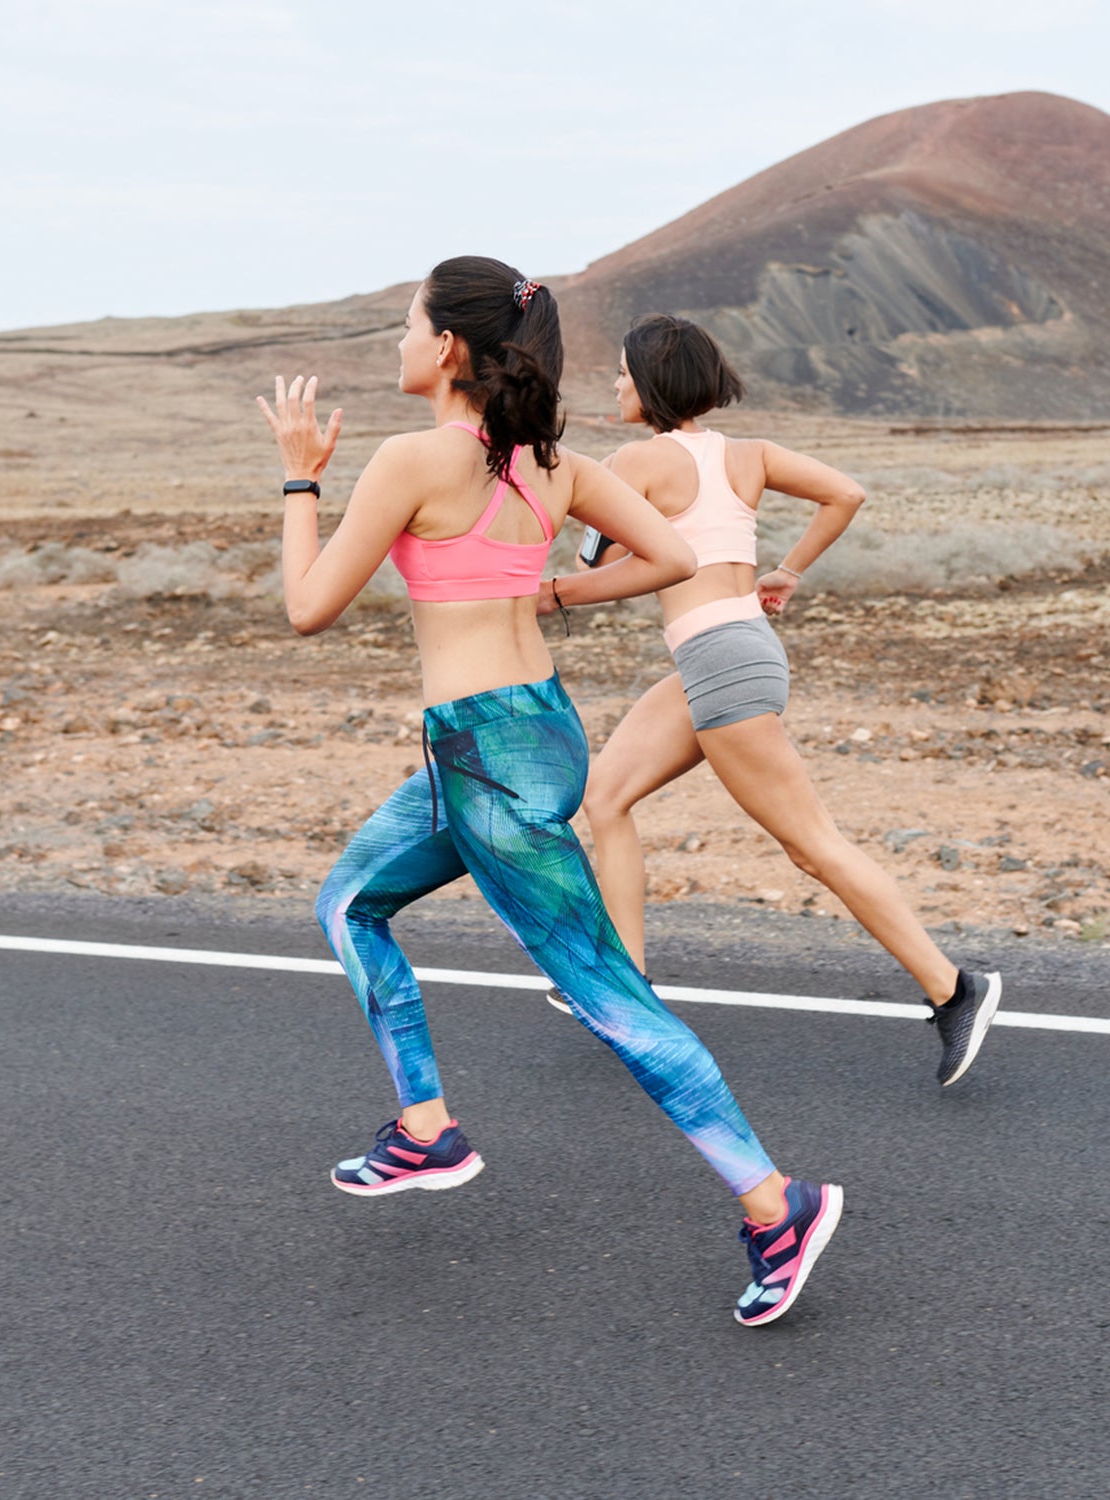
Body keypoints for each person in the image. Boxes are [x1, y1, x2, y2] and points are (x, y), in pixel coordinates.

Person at [256, 258, 841, 1327]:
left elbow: (308, 607)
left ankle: (776, 1204)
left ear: (446, 349)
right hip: (521, 737)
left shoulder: (411, 459)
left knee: (609, 995)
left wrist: (299, 478)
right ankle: (425, 1127)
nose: (397, 341)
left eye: (406, 324)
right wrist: (557, 587)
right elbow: (668, 554)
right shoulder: (549, 463)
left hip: (486, 757)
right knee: (350, 901)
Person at [539, 314, 1001, 1085]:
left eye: (621, 372)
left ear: (650, 380)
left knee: (810, 843)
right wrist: (787, 569)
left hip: (721, 662)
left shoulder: (635, 461)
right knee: (607, 795)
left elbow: (602, 562)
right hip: (730, 651)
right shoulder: (746, 454)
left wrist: (548, 592)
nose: (613, 384)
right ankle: (626, 989)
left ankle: (955, 989)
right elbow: (845, 492)